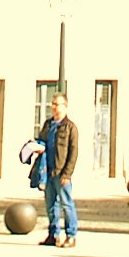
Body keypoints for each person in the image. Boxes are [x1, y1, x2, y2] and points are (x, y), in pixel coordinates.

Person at [36, 92, 80, 248]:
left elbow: (73, 152)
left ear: (65, 106)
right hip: (47, 171)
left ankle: (71, 235)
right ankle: (53, 235)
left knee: (67, 204)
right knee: (50, 205)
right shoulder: (48, 125)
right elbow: (41, 142)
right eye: (52, 104)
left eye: (57, 104)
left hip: (61, 173)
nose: (53, 107)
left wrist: (67, 173)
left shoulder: (70, 127)